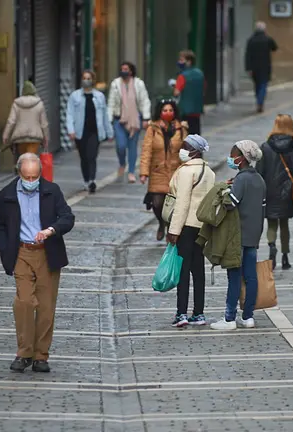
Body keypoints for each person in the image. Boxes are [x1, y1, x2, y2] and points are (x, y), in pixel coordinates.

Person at [0, 153, 75, 373]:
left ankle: (40, 356)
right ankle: (24, 352)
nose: (30, 181)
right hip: (21, 252)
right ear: (19, 173)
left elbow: (67, 217)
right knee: (25, 302)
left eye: (34, 177)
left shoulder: (51, 191)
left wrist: (51, 230)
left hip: (48, 253)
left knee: (46, 307)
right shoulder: (7, 194)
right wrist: (4, 245)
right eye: (26, 177)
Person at [211, 140, 266, 330]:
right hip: (253, 235)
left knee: (234, 276)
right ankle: (248, 316)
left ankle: (229, 318)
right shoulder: (259, 179)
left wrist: (223, 191)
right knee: (251, 277)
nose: (231, 158)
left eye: (233, 154)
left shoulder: (241, 179)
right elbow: (262, 209)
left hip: (238, 235)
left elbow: (230, 204)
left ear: (241, 158)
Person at [166, 135, 215, 327]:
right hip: (202, 227)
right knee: (198, 270)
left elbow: (182, 203)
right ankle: (199, 313)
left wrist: (173, 230)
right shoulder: (209, 172)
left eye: (185, 147)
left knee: (183, 271)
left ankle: (181, 313)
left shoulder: (186, 172)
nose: (182, 150)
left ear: (194, 150)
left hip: (185, 226)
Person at [256, 114, 293, 270]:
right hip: (287, 193)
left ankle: (271, 247)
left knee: (271, 222)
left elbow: (259, 172)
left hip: (269, 192)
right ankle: (285, 257)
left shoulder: (265, 147)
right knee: (284, 224)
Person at [140, 100, 188, 241]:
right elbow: (146, 151)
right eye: (165, 110)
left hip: (175, 172)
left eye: (170, 110)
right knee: (157, 203)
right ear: (160, 112)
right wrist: (144, 173)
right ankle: (162, 223)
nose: (168, 113)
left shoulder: (181, 129)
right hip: (157, 171)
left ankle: (169, 228)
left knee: (173, 204)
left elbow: (186, 151)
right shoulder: (152, 129)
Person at [65, 70, 114, 193]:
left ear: (93, 80)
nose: (86, 80)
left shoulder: (99, 97)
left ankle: (92, 180)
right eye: (84, 78)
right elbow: (69, 114)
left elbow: (104, 116)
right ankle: (86, 180)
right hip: (80, 132)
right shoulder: (74, 96)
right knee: (84, 157)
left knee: (92, 156)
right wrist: (70, 130)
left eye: (89, 78)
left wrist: (109, 132)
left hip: (95, 131)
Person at [108, 61, 152, 183]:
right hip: (119, 120)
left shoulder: (139, 84)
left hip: (134, 120)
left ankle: (131, 172)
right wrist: (109, 120)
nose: (124, 71)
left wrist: (145, 118)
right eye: (122, 69)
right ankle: (122, 163)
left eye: (126, 69)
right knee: (121, 146)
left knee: (132, 147)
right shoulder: (115, 84)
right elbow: (111, 102)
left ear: (131, 71)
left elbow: (144, 101)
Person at [3, 80, 50, 163]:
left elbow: (11, 121)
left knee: (23, 160)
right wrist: (46, 138)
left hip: (20, 138)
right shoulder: (39, 104)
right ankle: (30, 174)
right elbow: (44, 124)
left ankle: (24, 174)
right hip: (35, 138)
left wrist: (5, 135)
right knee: (31, 160)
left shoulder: (16, 103)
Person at [245, 21, 278, 113]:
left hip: (254, 67)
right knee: (263, 85)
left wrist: (248, 68)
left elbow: (247, 55)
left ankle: (258, 101)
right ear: (264, 30)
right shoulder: (267, 39)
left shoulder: (251, 40)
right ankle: (260, 102)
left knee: (257, 85)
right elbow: (275, 47)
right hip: (265, 66)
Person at [173, 50, 205, 135]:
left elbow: (176, 92)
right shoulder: (200, 74)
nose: (179, 62)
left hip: (184, 111)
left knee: (184, 136)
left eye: (182, 60)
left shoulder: (182, 76)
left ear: (189, 61)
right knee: (195, 136)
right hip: (197, 111)